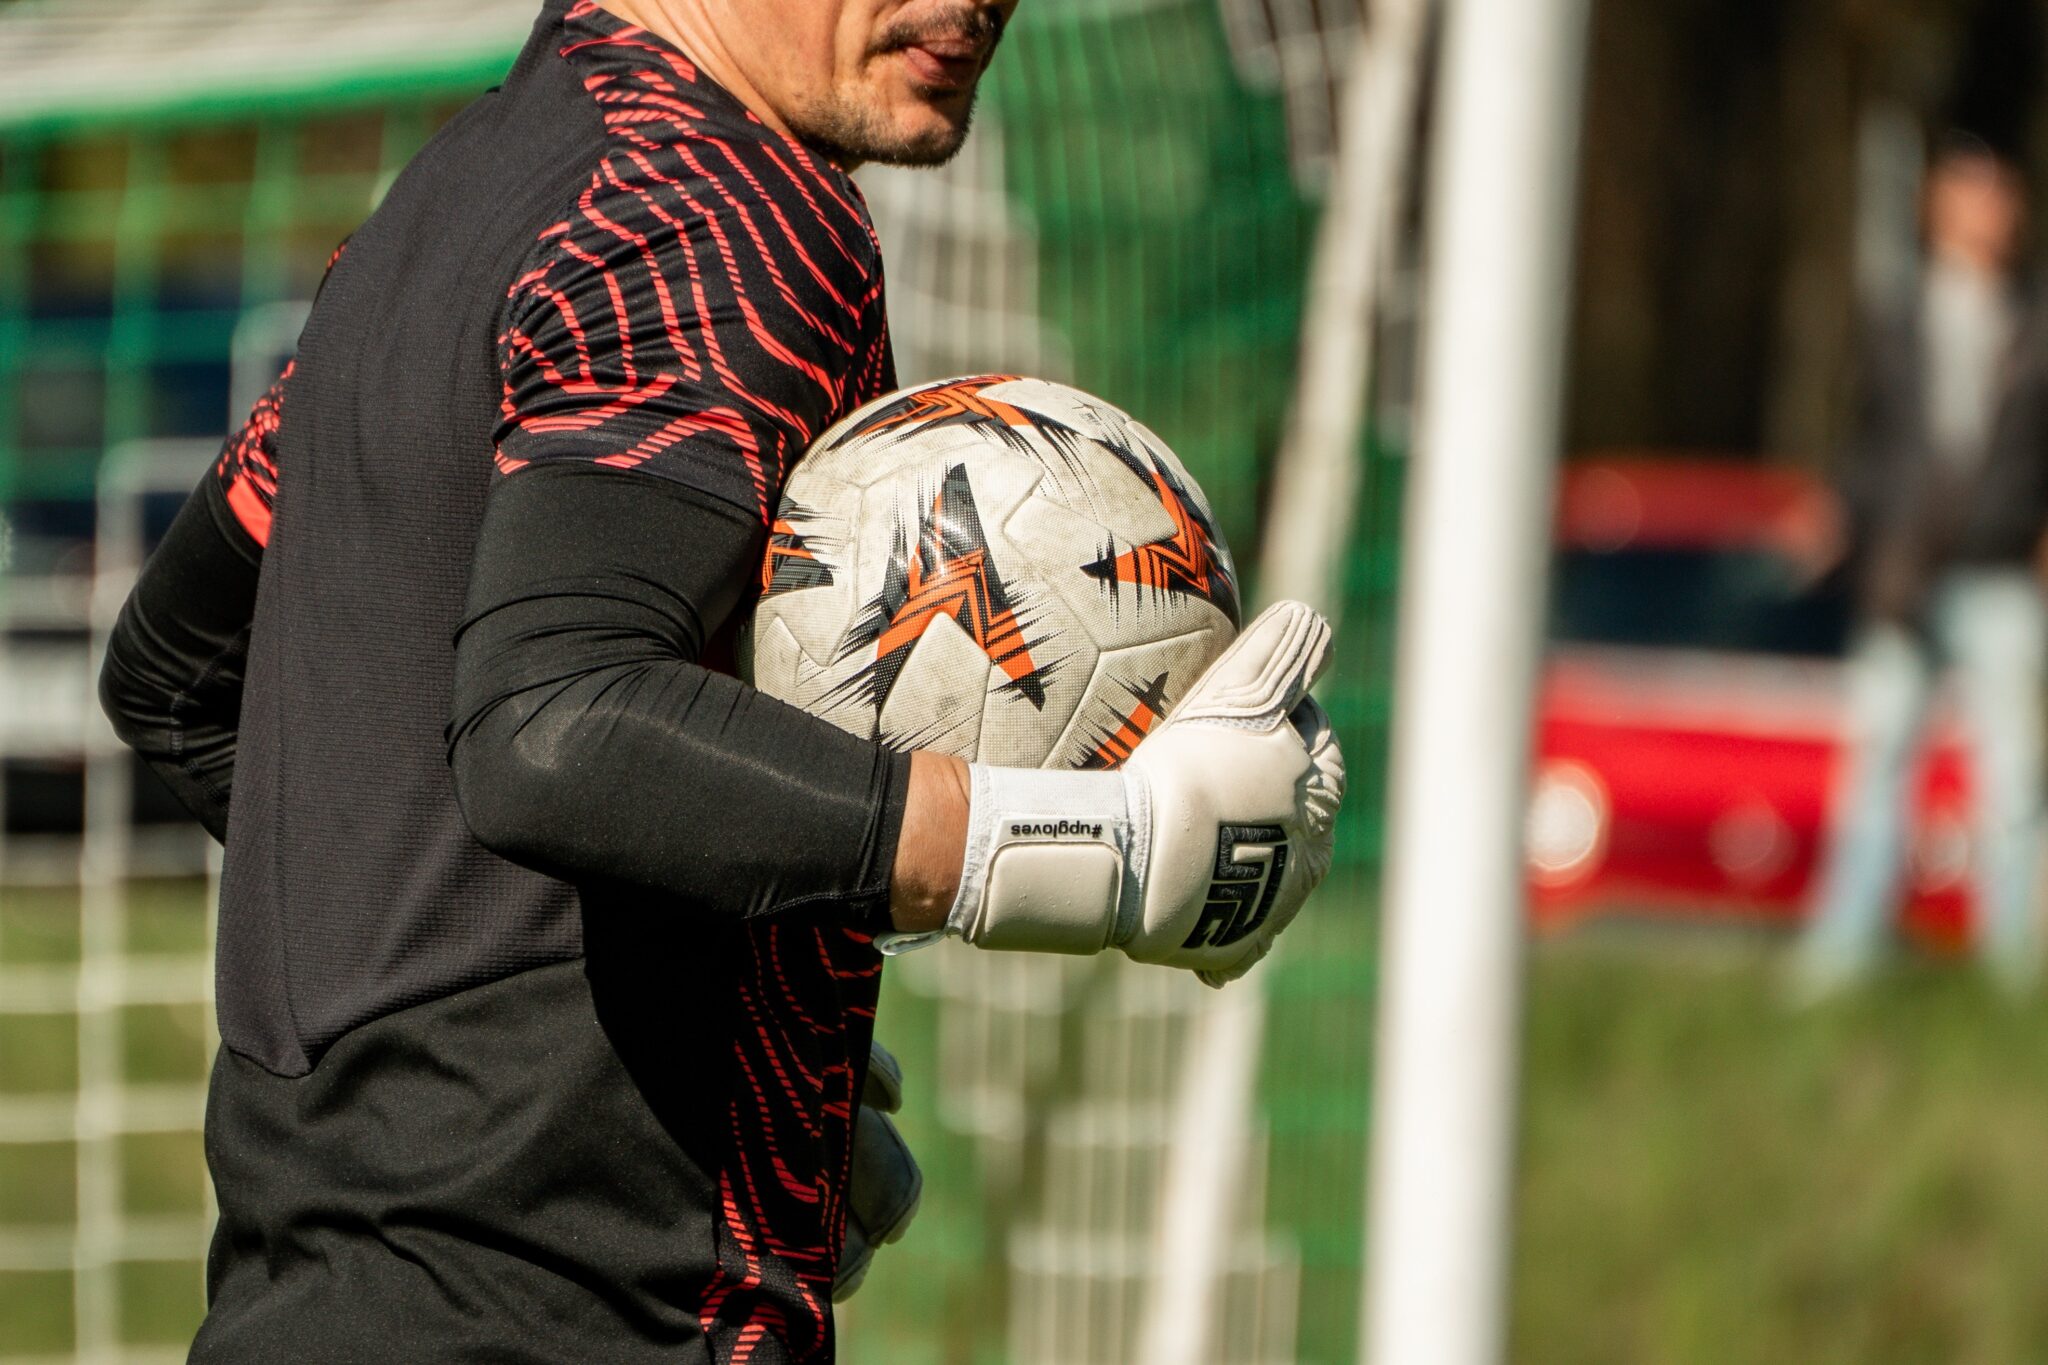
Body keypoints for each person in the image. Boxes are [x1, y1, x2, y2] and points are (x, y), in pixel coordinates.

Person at [95, 0, 1345, 1359]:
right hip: (570, 1318)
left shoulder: (454, 202)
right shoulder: (725, 207)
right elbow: (554, 729)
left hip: (316, 1302)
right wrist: (1109, 848)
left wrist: (689, 1042)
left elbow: (178, 673)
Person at [1798, 134, 2048, 998]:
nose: (1988, 211)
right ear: (1937, 205)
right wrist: (1840, 515)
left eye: (2000, 194)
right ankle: (1840, 959)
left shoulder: (2035, 320)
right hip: (1903, 570)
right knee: (1878, 764)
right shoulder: (1896, 315)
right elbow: (1870, 441)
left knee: (2014, 775)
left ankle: (2011, 966)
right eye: (1971, 192)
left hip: (2000, 568)